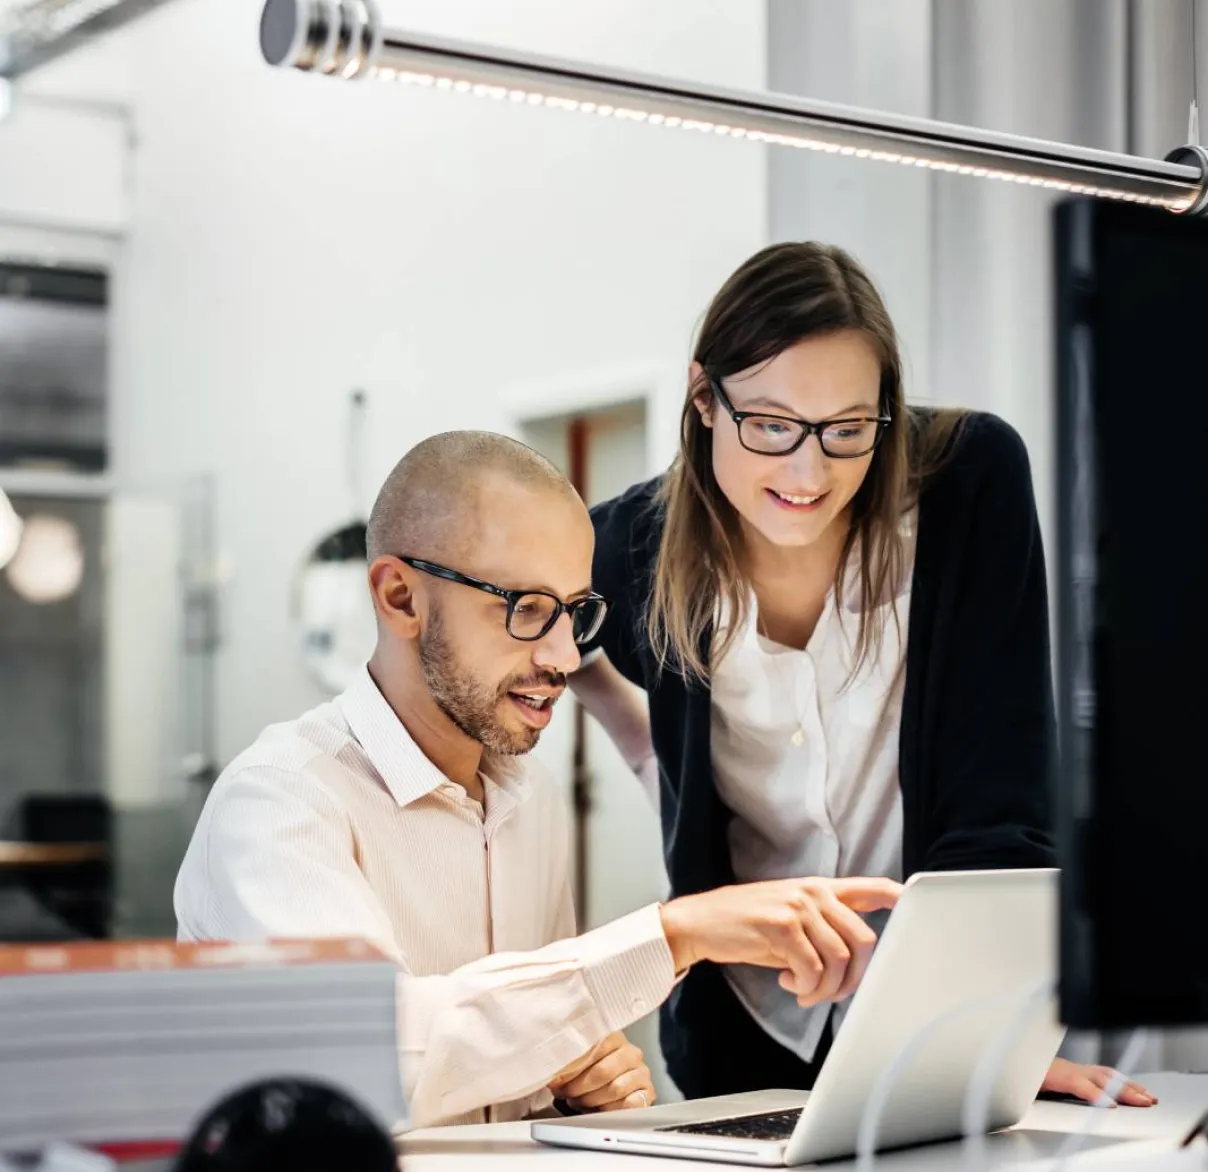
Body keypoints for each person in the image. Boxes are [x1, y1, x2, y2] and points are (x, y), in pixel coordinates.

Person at [174, 430, 903, 1130]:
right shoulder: (277, 802)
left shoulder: (532, 800)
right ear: (399, 598)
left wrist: (573, 1083)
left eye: (575, 612)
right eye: (525, 609)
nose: (562, 655)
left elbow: (508, 1063)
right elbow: (370, 1064)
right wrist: (673, 934)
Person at [574, 242, 1154, 1110]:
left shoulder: (967, 484)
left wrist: (988, 1037)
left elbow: (999, 798)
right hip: (741, 1028)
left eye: (849, 429)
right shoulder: (631, 544)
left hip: (930, 1016)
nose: (810, 474)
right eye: (771, 426)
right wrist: (650, 754)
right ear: (704, 397)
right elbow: (535, 634)